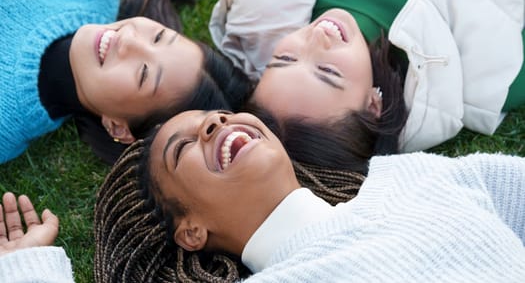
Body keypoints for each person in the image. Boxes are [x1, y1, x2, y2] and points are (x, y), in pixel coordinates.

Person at [86, 110, 522, 282]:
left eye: (217, 115)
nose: (213, 124)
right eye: (183, 149)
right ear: (191, 232)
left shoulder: (415, 177)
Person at [209, 0, 525, 154]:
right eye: (327, 71)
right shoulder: (494, 76)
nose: (317, 39)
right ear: (373, 106)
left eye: (285, 60)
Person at [1, 0, 252, 165]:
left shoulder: (5, 127)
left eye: (143, 73)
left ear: (117, 128)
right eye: (158, 36)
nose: (130, 41)